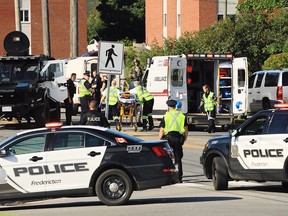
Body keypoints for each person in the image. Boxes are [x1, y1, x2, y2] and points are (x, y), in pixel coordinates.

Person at [159, 99, 188, 183]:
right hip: (178, 138)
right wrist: (184, 139)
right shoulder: (182, 116)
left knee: (168, 158)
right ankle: (179, 177)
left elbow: (161, 130)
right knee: (178, 158)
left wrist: (160, 140)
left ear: (168, 107)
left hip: (168, 139)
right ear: (175, 106)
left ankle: (170, 177)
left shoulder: (166, 116)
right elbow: (186, 130)